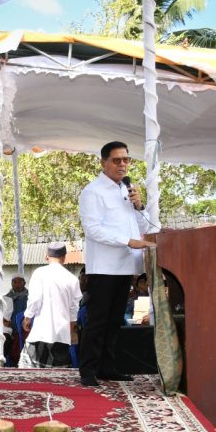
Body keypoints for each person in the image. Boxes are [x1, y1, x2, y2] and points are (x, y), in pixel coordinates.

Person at [77, 141, 154, 387]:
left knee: (115, 320)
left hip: (125, 267)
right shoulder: (92, 191)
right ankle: (88, 371)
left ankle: (107, 367)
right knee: (97, 320)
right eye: (116, 160)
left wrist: (140, 206)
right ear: (103, 162)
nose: (122, 164)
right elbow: (93, 230)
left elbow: (145, 226)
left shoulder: (127, 190)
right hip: (104, 267)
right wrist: (128, 241)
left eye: (126, 160)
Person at [19, 242, 82, 368]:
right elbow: (74, 310)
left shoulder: (40, 273)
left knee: (29, 372)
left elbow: (35, 299)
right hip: (62, 335)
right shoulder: (73, 279)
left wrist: (27, 317)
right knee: (57, 375)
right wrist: (72, 330)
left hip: (42, 332)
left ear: (46, 256)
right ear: (64, 257)